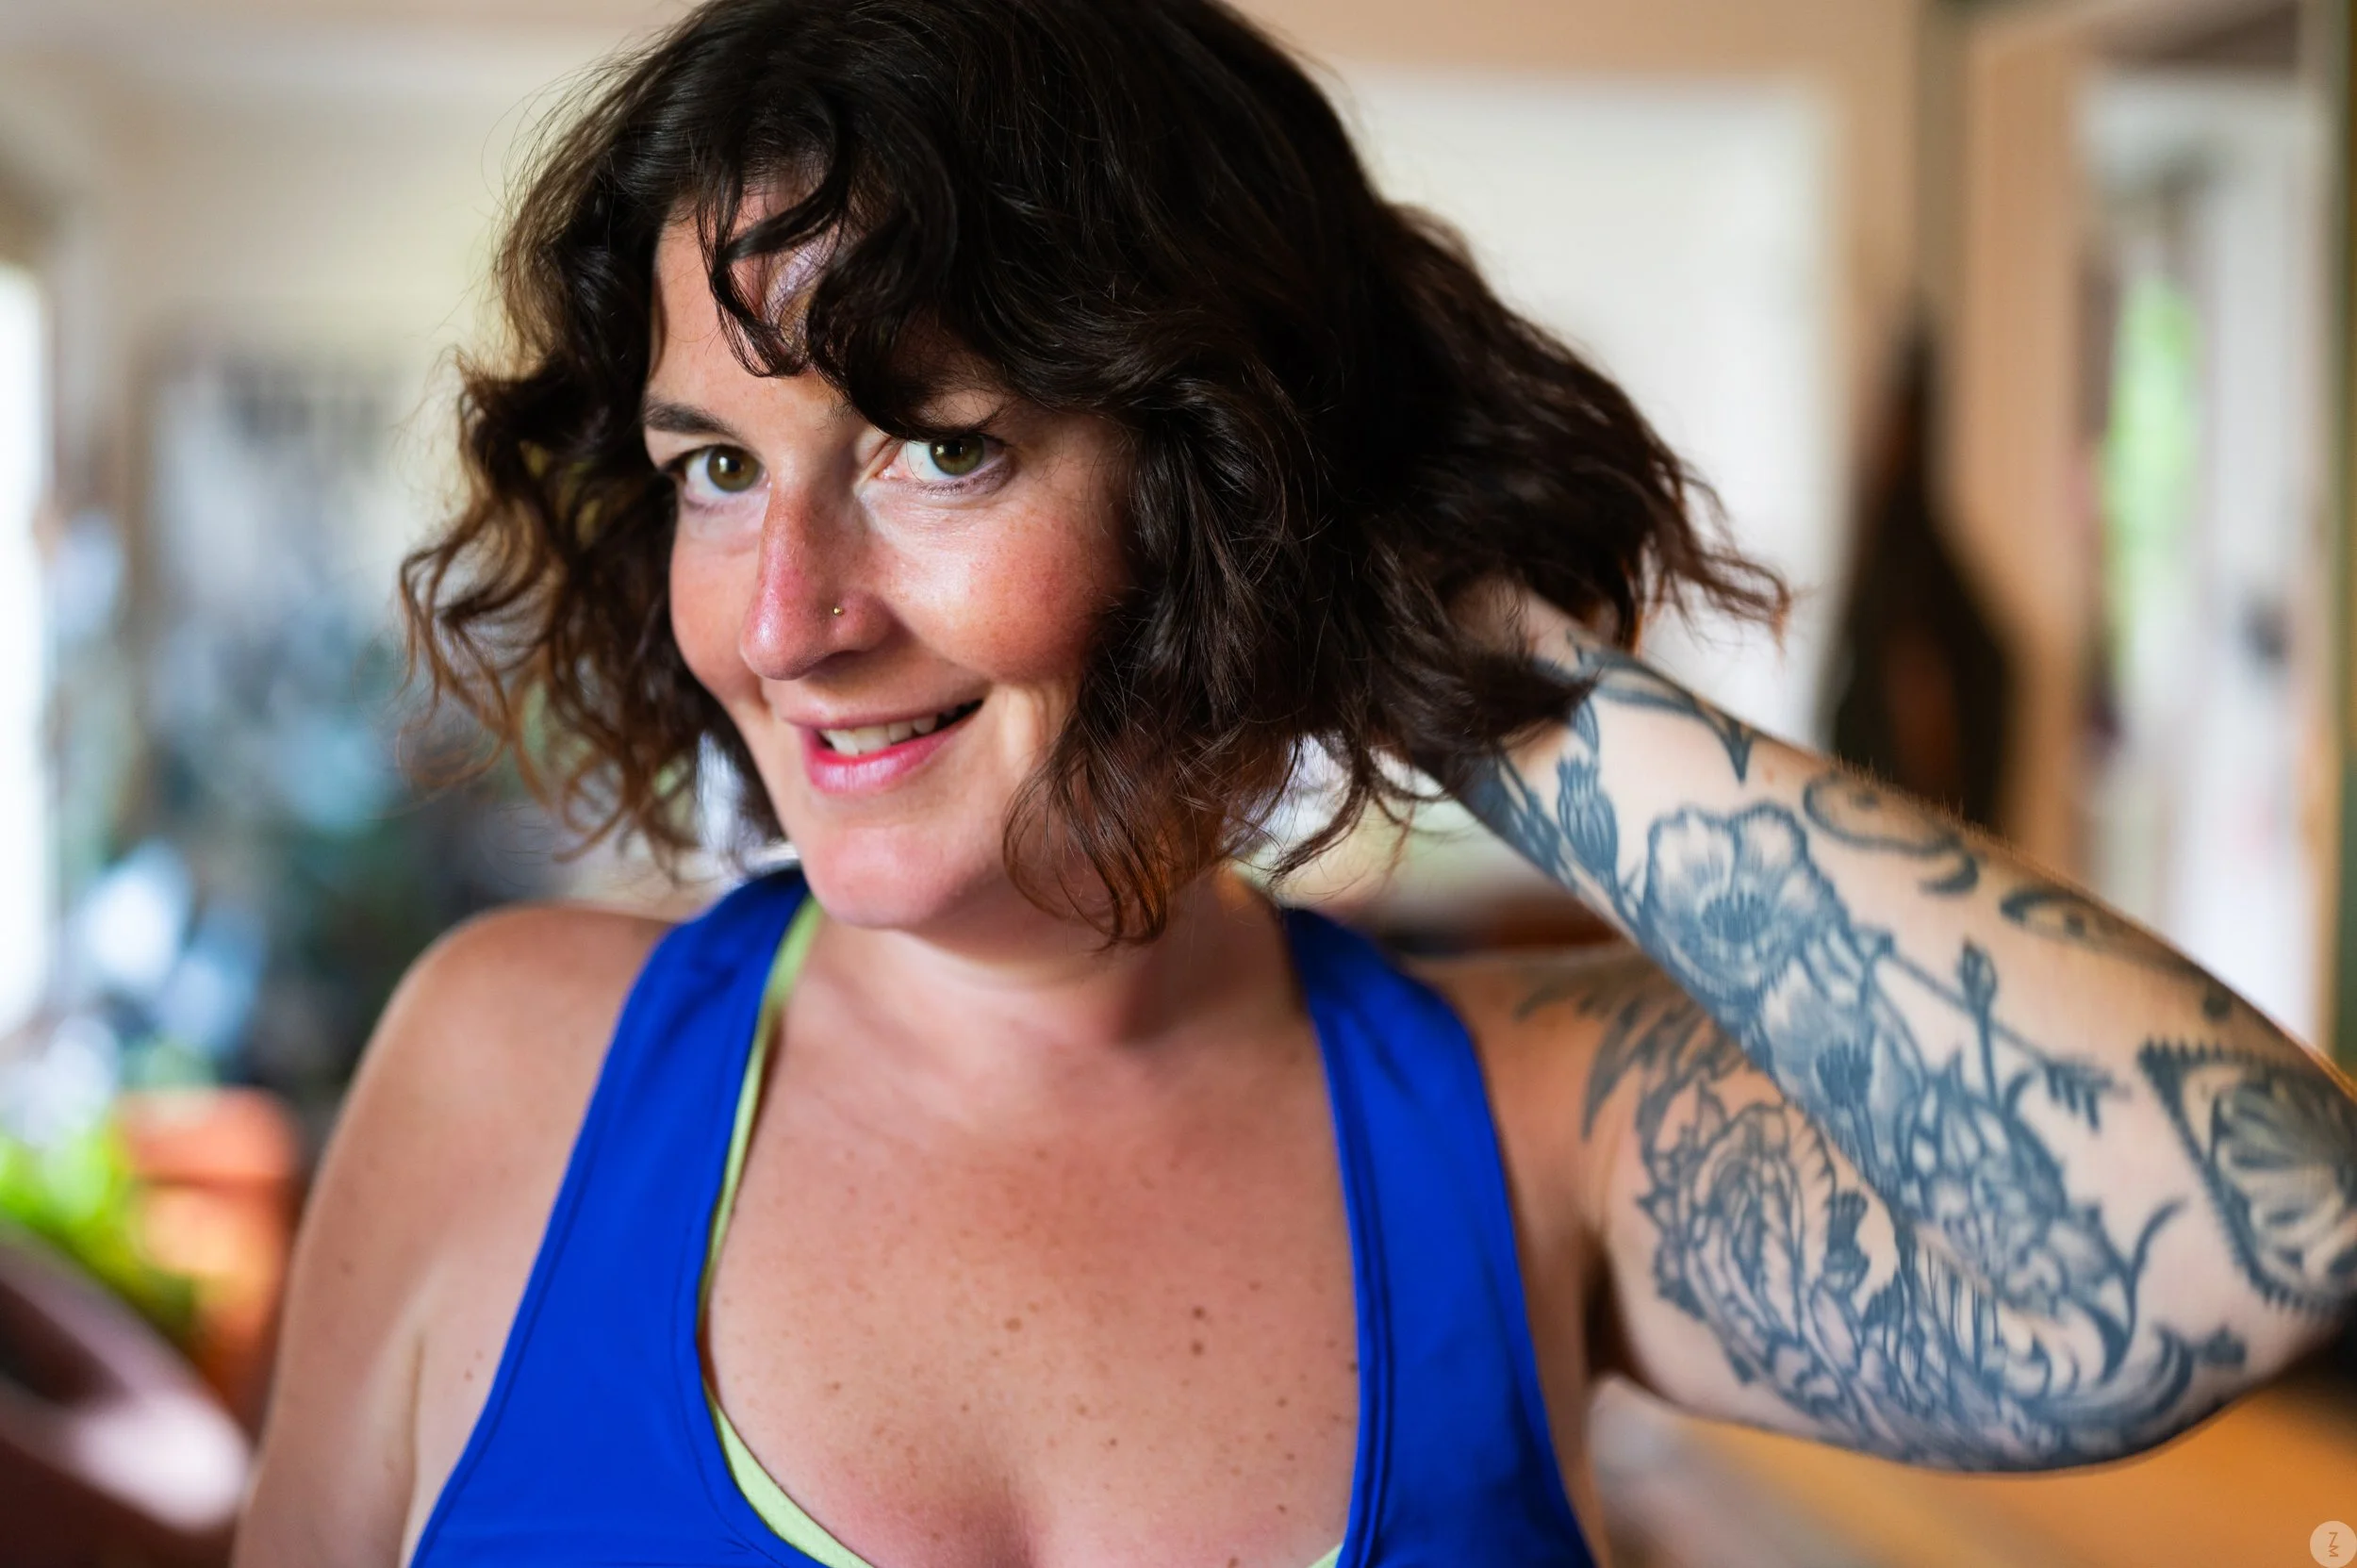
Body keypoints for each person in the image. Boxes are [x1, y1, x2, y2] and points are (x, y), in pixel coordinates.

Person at [234, 1, 2357, 1563]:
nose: (784, 618)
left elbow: (2258, 1232)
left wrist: (1452, 637)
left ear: (1221, 484)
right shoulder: (502, 1070)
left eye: (938, 447)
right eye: (716, 467)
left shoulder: (1521, 1130)